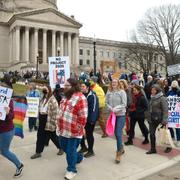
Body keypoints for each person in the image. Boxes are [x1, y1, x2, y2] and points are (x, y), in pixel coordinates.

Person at [57, 78, 88, 180]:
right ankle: (79, 158)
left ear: (73, 87)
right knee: (64, 148)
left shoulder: (81, 98)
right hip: (63, 130)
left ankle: (71, 170)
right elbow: (61, 111)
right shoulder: (65, 97)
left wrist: (78, 129)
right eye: (64, 85)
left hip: (74, 132)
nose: (64, 87)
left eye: (67, 86)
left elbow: (83, 117)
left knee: (70, 151)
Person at [31, 85, 63, 159]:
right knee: (40, 136)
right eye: (43, 89)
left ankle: (61, 147)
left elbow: (56, 112)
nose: (44, 90)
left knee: (53, 136)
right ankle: (38, 152)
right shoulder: (42, 98)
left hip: (48, 120)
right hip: (42, 119)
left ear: (49, 90)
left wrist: (53, 122)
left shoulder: (52, 100)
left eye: (45, 89)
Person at [0, 79, 24, 178]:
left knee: (4, 151)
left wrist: (8, 112)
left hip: (6, 131)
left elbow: (12, 117)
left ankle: (19, 165)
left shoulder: (9, 102)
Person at [106, 78, 127, 163]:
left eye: (115, 82)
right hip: (112, 114)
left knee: (118, 133)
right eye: (112, 82)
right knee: (115, 133)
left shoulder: (122, 92)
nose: (114, 83)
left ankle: (118, 153)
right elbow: (106, 102)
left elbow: (124, 104)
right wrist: (110, 108)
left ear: (118, 83)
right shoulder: (109, 92)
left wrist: (116, 109)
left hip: (120, 115)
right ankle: (121, 147)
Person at [79, 80, 99, 158]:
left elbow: (94, 109)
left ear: (87, 87)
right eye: (81, 86)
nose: (81, 88)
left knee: (89, 134)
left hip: (90, 119)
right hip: (82, 118)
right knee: (80, 133)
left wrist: (91, 120)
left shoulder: (92, 95)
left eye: (83, 86)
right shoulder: (81, 95)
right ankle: (83, 147)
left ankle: (91, 150)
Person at [146, 84, 168, 154]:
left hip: (160, 119)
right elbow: (149, 108)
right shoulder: (151, 97)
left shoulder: (162, 98)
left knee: (163, 133)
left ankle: (168, 146)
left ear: (157, 90)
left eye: (154, 90)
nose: (152, 91)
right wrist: (147, 117)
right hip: (152, 119)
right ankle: (153, 149)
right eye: (151, 90)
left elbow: (165, 110)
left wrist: (164, 120)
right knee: (151, 134)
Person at [167, 80, 180, 148]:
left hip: (177, 113)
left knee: (177, 127)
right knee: (169, 126)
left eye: (175, 85)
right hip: (170, 112)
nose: (174, 86)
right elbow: (166, 100)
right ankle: (172, 137)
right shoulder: (169, 92)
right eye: (173, 84)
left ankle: (178, 140)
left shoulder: (179, 92)